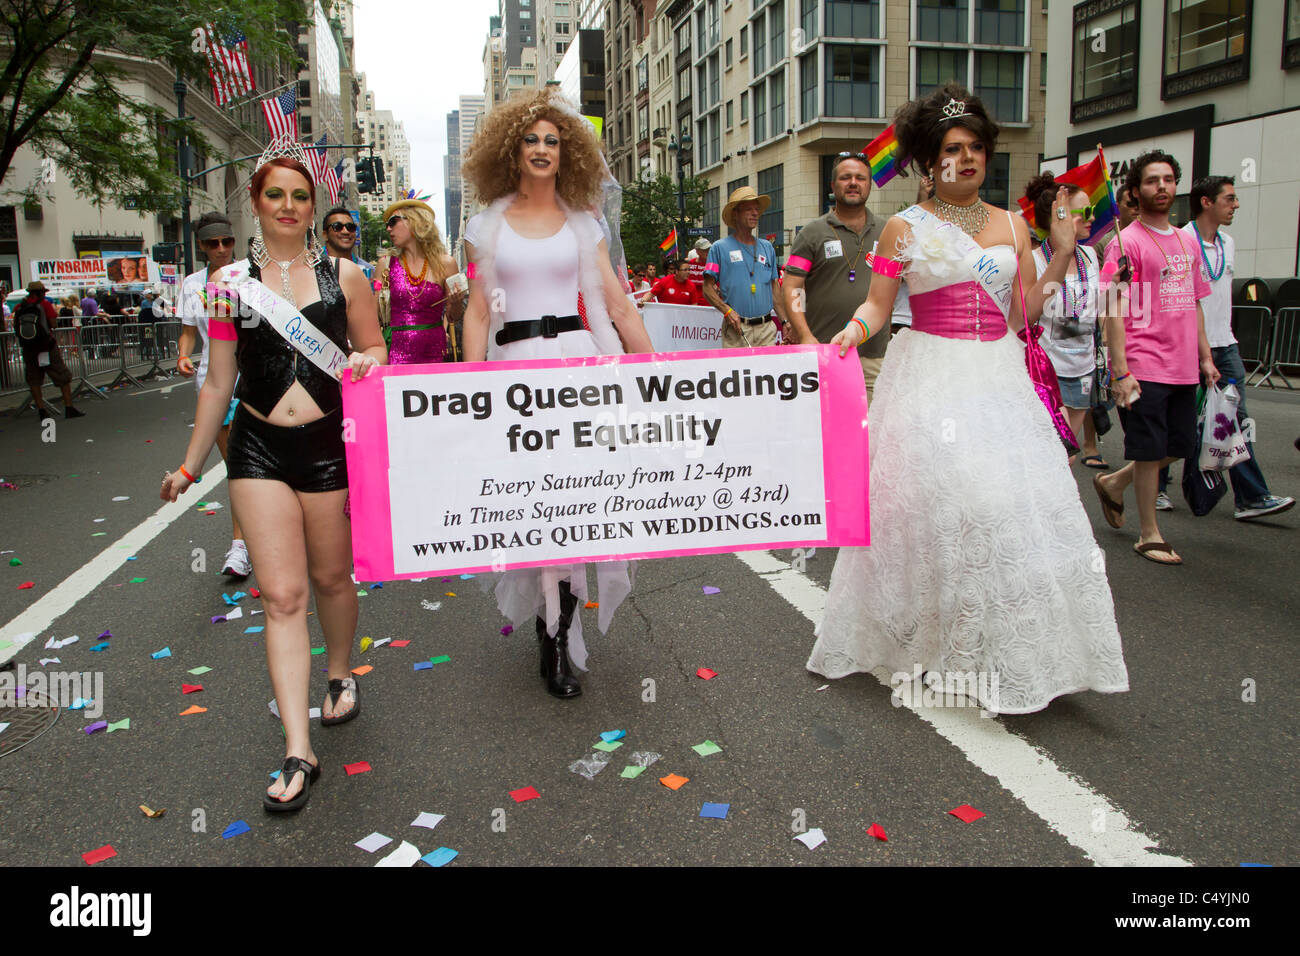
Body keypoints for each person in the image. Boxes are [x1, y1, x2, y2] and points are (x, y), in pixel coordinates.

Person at [806, 85, 1128, 714]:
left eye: (977, 146)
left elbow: (1021, 315)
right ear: (930, 161)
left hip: (996, 375)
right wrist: (851, 332)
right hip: (929, 373)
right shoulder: (904, 226)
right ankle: (936, 639)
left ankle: (1001, 649)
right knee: (946, 507)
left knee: (1007, 507)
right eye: (953, 148)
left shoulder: (1012, 225)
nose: (968, 157)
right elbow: (877, 303)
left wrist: (1061, 251)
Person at [160, 140, 385, 811]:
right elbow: (218, 382)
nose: (287, 206)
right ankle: (298, 747)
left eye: (298, 195)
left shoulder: (345, 277)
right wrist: (188, 463)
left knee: (329, 579)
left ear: (311, 206)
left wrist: (371, 361)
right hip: (257, 447)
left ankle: (339, 672)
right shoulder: (230, 287)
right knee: (281, 597)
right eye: (273, 194)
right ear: (255, 203)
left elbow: (373, 344)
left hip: (328, 447)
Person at [460, 86, 653, 699]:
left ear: (565, 152)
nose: (542, 148)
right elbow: (475, 314)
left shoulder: (584, 223)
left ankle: (560, 634)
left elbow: (617, 302)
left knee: (576, 507)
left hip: (578, 371)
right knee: (534, 506)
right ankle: (547, 629)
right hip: (515, 373)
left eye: (552, 140)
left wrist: (655, 370)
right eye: (530, 139)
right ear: (510, 151)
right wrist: (472, 388)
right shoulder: (484, 225)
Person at [1093, 150, 1220, 564]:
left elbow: (1196, 303)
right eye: (1152, 181)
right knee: (1149, 451)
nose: (1161, 186)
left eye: (1168, 179)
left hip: (1184, 365)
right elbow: (1109, 306)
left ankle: (1114, 483)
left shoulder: (1187, 240)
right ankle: (1149, 534)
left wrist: (1205, 357)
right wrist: (1120, 369)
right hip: (1144, 361)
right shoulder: (1123, 243)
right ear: (1136, 190)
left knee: (1180, 445)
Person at [1181, 175, 1293, 520]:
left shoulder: (1228, 243)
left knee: (1236, 421)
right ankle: (1153, 487)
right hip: (1186, 346)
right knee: (1182, 420)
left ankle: (1251, 497)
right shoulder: (1182, 240)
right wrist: (1199, 352)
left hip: (1225, 346)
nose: (1236, 205)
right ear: (1206, 202)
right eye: (1229, 198)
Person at [176, 212, 253, 580]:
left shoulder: (248, 275)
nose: (221, 249)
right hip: (216, 379)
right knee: (236, 467)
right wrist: (182, 354)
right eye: (212, 244)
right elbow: (189, 331)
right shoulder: (193, 284)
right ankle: (241, 546)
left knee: (259, 465)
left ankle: (265, 535)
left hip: (254, 378)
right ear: (202, 247)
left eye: (226, 241)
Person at [783, 151, 888, 397]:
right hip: (824, 353)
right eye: (845, 177)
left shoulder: (887, 231)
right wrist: (805, 335)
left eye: (860, 178)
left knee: (872, 432)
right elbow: (793, 287)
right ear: (833, 185)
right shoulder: (812, 233)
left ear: (869, 184)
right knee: (828, 431)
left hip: (874, 356)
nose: (853, 183)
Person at [1025, 173, 1100, 465]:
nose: (1092, 217)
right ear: (1059, 216)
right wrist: (1062, 253)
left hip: (1083, 368)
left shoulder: (1091, 256)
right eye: (1085, 213)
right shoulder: (1035, 259)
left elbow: (1097, 307)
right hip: (1047, 372)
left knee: (1065, 458)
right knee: (1058, 456)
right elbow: (1030, 311)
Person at [702, 187, 793, 347]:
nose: (755, 213)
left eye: (757, 209)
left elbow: (774, 289)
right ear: (735, 214)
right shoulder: (719, 248)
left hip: (766, 330)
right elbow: (707, 288)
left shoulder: (767, 247)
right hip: (737, 330)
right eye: (748, 209)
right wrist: (727, 311)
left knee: (766, 372)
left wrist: (784, 321)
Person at [378, 197, 463, 365]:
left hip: (435, 351)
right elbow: (375, 316)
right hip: (396, 353)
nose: (388, 228)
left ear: (414, 221)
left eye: (393, 222)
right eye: (387, 224)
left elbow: (454, 317)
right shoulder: (385, 265)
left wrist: (456, 302)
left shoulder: (446, 263)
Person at [15, 281, 85, 421]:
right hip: (46, 345)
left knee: (34, 379)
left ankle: (41, 410)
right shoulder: (44, 304)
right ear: (41, 292)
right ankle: (69, 407)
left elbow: (16, 325)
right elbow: (53, 323)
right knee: (62, 375)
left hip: (29, 347)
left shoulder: (20, 306)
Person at [322, 206, 371, 274]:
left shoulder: (368, 270)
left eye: (350, 227)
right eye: (337, 227)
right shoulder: (311, 267)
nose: (346, 232)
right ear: (325, 235)